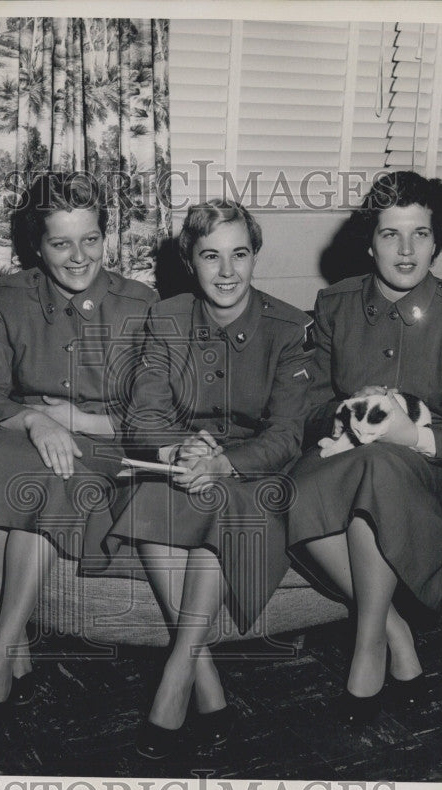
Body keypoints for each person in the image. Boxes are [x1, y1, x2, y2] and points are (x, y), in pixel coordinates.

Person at [0, 172, 158, 730]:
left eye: (90, 239)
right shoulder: (7, 297)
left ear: (106, 238)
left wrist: (78, 420)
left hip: (108, 445)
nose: (78, 256)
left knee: (45, 473)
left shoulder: (142, 303)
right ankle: (13, 642)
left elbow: (159, 417)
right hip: (26, 435)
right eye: (61, 243)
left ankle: (2, 646)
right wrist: (36, 420)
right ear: (37, 245)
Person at [287, 171, 442, 724]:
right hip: (352, 451)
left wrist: (409, 435)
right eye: (390, 235)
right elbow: (306, 409)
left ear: (439, 239)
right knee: (285, 489)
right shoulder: (333, 304)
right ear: (368, 240)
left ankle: (367, 650)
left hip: (437, 466)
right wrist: (343, 410)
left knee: (378, 466)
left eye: (421, 235)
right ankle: (393, 630)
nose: (406, 251)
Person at [106, 200, 315, 758]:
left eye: (240, 254)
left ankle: (176, 677)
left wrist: (222, 462)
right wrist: (179, 448)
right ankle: (206, 682)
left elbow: (287, 434)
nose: (227, 272)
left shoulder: (289, 327)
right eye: (211, 256)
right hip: (181, 459)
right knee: (150, 492)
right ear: (190, 261)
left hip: (252, 469)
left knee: (222, 502)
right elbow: (145, 414)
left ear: (254, 257)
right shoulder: (166, 318)